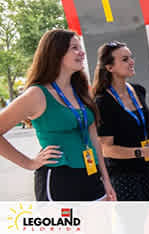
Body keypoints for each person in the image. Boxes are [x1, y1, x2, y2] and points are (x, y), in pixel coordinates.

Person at [0, 29, 116, 201]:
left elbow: (93, 138)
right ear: (56, 53)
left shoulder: (81, 90)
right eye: (74, 48)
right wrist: (30, 163)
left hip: (93, 177)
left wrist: (106, 180)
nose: (82, 52)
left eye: (80, 47)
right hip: (59, 180)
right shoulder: (36, 94)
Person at [92, 41, 149, 201]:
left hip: (147, 167)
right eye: (124, 59)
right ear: (109, 67)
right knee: (131, 222)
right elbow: (105, 149)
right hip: (123, 173)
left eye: (131, 57)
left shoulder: (138, 90)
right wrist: (142, 152)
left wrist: (148, 152)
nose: (131, 62)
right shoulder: (102, 102)